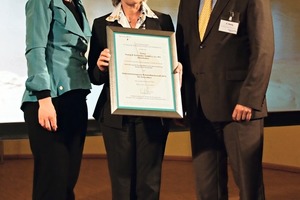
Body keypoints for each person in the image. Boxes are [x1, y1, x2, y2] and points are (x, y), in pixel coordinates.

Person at [176, 0, 274, 199]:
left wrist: (249, 98)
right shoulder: (187, 2)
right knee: (207, 190)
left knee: (249, 188)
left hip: (239, 109)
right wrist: (178, 103)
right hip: (199, 108)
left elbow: (264, 49)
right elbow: (180, 50)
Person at [88, 0, 181, 199]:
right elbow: (94, 77)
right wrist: (100, 67)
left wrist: (176, 70)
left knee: (149, 184)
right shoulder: (101, 24)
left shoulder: (163, 21)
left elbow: (173, 64)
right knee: (122, 185)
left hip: (154, 114)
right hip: (116, 117)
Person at [21, 0, 91, 199]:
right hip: (50, 100)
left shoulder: (78, 5)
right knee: (52, 184)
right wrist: (43, 97)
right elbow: (35, 48)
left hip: (76, 99)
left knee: (68, 182)